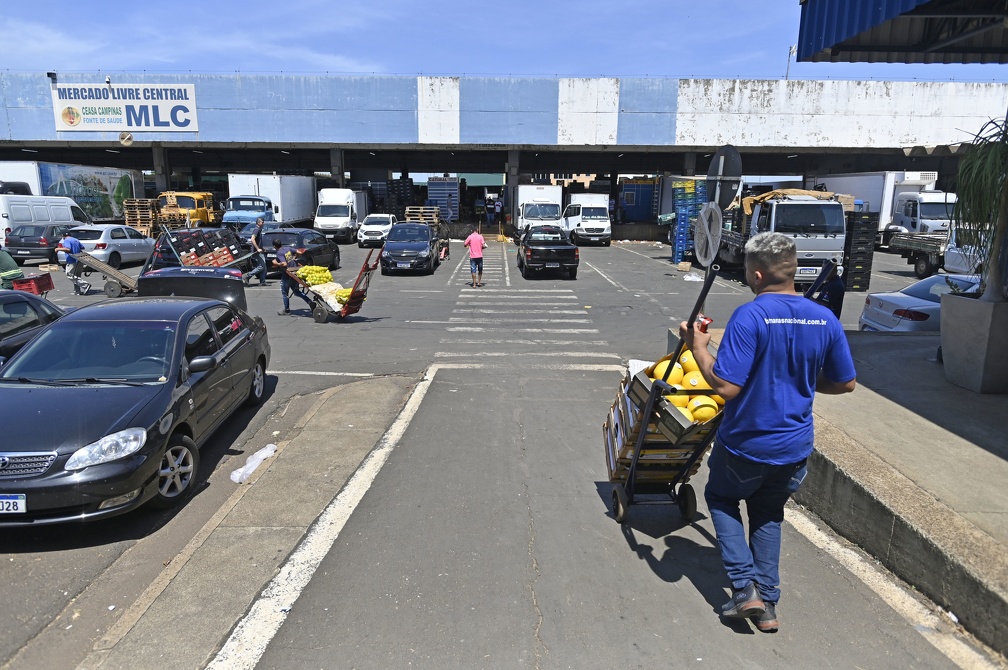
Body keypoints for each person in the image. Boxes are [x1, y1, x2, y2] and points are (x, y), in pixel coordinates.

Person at [678, 232, 856, 634]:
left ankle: (745, 588)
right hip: (794, 448)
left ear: (756, 274)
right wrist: (803, 378)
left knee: (721, 499)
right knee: (767, 514)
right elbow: (845, 383)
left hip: (747, 444)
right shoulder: (823, 318)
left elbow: (726, 387)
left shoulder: (750, 316)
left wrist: (698, 347)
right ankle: (768, 605)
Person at [271, 238, 314, 316]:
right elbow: (299, 252)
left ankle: (287, 310)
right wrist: (294, 257)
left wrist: (276, 263)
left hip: (288, 274)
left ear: (274, 246)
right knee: (296, 292)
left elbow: (284, 264)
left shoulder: (279, 252)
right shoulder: (288, 248)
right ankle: (310, 302)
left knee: (285, 293)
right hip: (295, 273)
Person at [243, 217, 268, 286]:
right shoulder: (256, 229)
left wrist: (262, 248)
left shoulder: (259, 229)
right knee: (261, 266)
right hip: (256, 252)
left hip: (259, 251)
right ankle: (247, 276)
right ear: (258, 223)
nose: (263, 223)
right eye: (262, 222)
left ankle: (262, 281)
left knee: (264, 266)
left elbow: (258, 241)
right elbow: (252, 239)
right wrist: (257, 249)